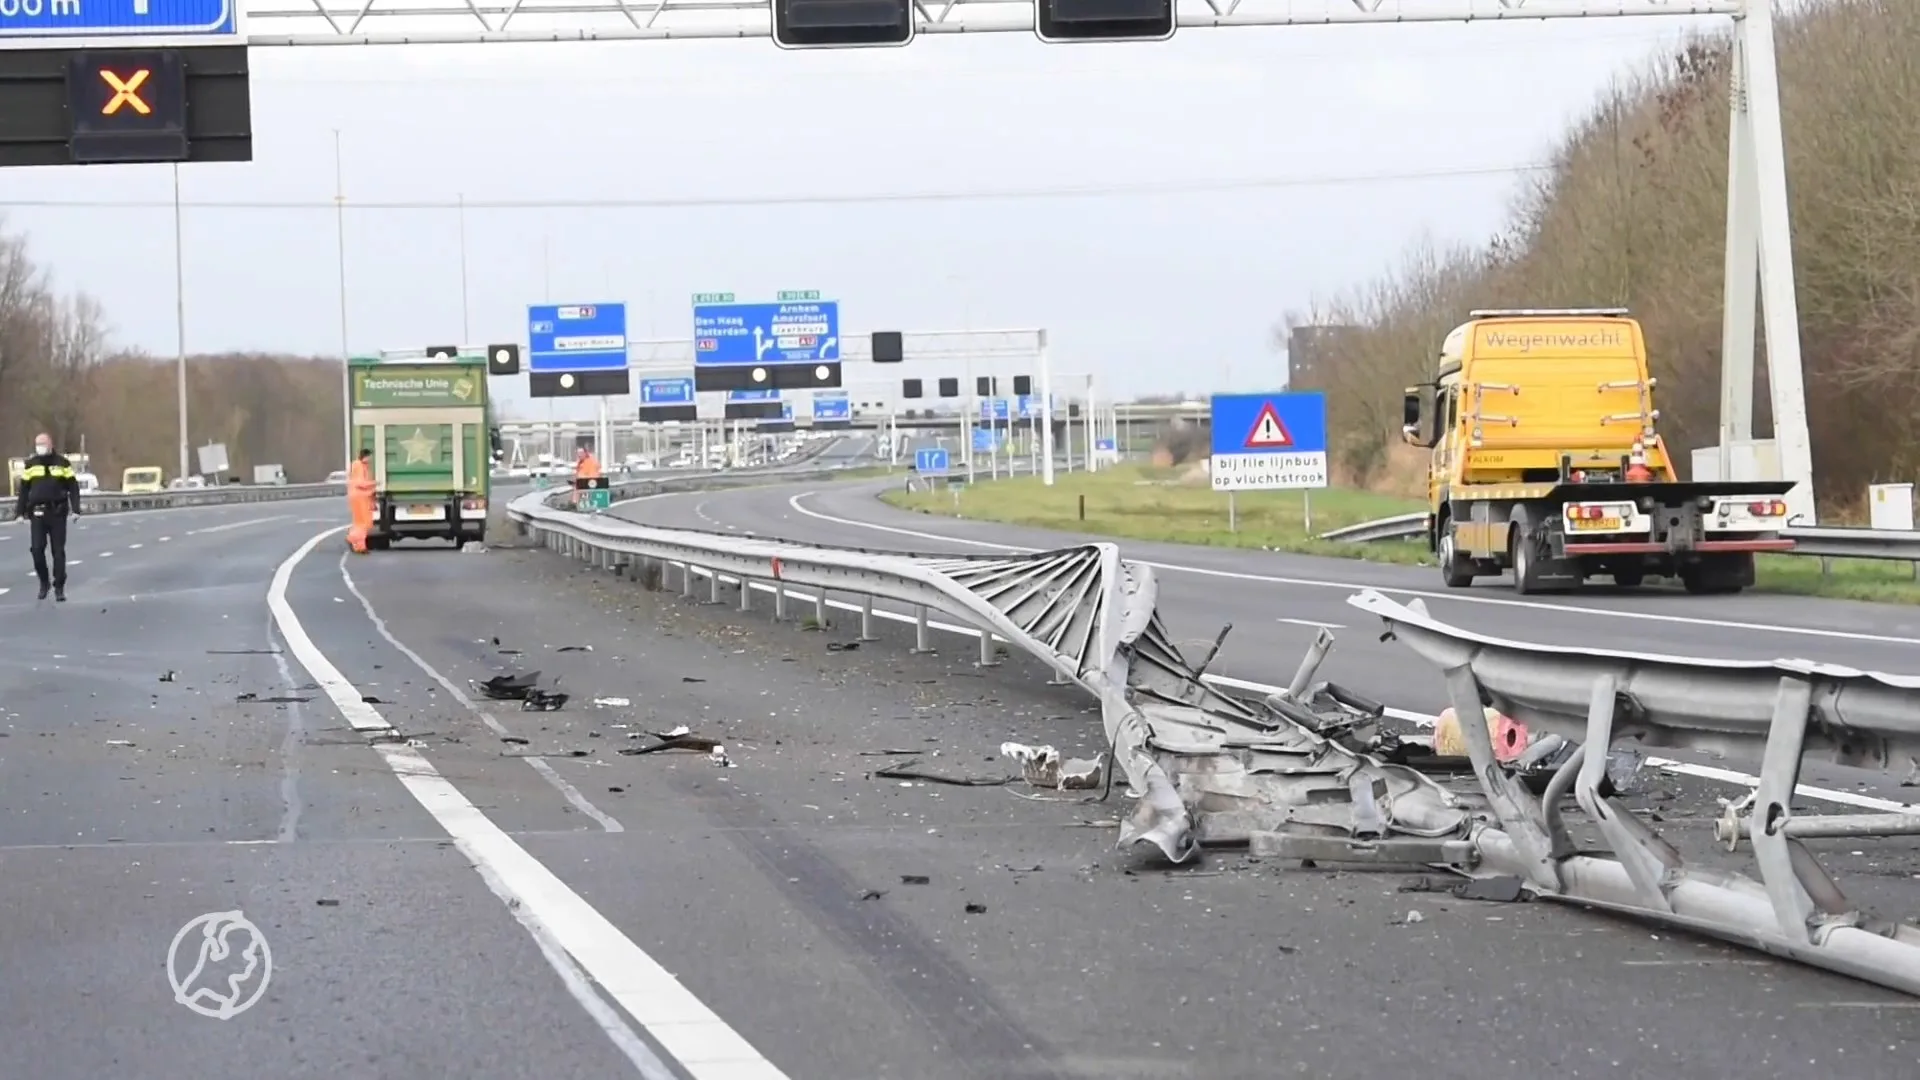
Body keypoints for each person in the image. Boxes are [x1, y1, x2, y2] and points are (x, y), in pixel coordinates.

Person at [14, 432, 82, 601]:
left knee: (58, 552)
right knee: (37, 550)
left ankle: (59, 586)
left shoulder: (62, 464)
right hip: (37, 512)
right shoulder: (31, 465)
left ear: (50, 444)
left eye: (43, 443)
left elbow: (73, 487)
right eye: (37, 444)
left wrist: (76, 509)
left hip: (57, 512)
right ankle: (44, 582)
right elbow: (23, 490)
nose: (40, 447)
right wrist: (19, 513)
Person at [346, 449, 377, 553]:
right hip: (360, 497)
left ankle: (358, 544)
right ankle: (358, 543)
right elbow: (361, 483)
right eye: (370, 457)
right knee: (362, 523)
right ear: (366, 456)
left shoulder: (362, 466)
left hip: (361, 497)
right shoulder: (359, 466)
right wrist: (375, 483)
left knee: (362, 522)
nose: (371, 459)